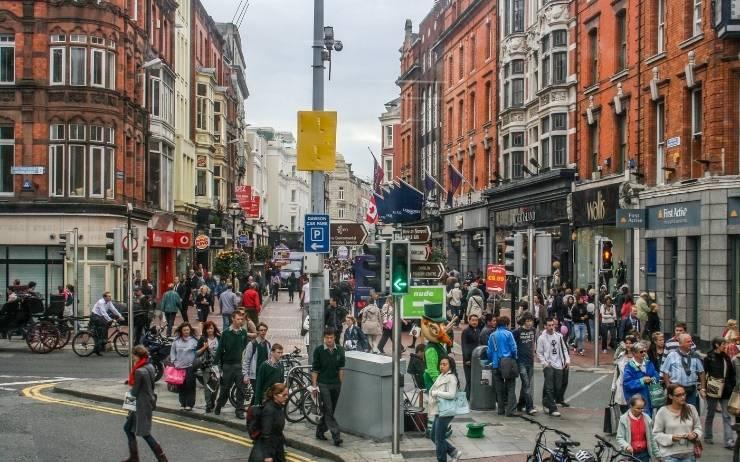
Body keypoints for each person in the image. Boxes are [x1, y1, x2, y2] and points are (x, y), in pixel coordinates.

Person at [123, 345, 167, 462]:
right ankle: (134, 457)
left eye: (134, 356)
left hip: (140, 405)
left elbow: (134, 392)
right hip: (147, 402)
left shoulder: (139, 371)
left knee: (145, 434)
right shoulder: (149, 366)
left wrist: (128, 403)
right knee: (128, 428)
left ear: (138, 356)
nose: (133, 358)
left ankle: (162, 459)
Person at [312, 328, 345, 446]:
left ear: (334, 337)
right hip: (323, 384)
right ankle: (336, 436)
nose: (329, 340)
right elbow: (315, 370)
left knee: (329, 411)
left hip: (336, 384)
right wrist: (314, 386)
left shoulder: (340, 350)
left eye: (331, 338)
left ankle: (320, 431)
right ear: (324, 338)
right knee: (329, 409)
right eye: (327, 338)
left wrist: (340, 384)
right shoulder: (318, 351)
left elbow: (341, 369)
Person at [653, 384, 703, 462]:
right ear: (670, 396)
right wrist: (671, 438)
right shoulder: (662, 412)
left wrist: (695, 434)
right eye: (678, 395)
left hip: (688, 453)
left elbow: (698, 428)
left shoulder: (691, 409)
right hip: (669, 455)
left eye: (684, 394)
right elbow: (656, 434)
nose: (682, 397)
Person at [702, 336, 736, 449]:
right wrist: (703, 388)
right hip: (713, 388)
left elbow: (731, 374)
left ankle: (729, 440)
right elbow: (703, 374)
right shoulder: (708, 358)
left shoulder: (726, 358)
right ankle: (708, 436)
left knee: (727, 415)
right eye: (723, 344)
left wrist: (731, 386)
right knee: (710, 413)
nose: (725, 346)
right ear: (717, 345)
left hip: (726, 390)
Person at [427, 357, 463, 462]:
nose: (442, 366)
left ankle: (442, 460)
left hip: (446, 411)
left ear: (450, 366)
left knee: (439, 438)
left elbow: (452, 394)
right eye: (441, 364)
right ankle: (453, 452)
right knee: (433, 436)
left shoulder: (451, 378)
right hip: (439, 410)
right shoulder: (442, 375)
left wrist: (437, 393)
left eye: (444, 364)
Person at [214, 311, 249, 419]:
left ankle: (239, 411)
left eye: (241, 319)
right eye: (238, 319)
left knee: (241, 389)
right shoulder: (225, 333)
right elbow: (220, 349)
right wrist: (215, 364)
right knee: (225, 389)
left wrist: (246, 366)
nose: (240, 321)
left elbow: (246, 349)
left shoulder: (243, 333)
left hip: (239, 365)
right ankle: (219, 405)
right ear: (232, 319)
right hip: (228, 366)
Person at [536, 318, 571, 417]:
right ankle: (552, 408)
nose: (551, 327)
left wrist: (567, 360)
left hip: (559, 364)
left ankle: (546, 402)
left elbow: (564, 349)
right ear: (545, 326)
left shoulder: (559, 336)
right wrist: (545, 363)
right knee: (549, 387)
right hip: (549, 365)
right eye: (549, 325)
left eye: (552, 325)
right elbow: (539, 353)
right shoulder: (542, 338)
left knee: (557, 387)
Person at [661, 333, 705, 411]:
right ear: (681, 343)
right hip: (676, 390)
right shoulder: (672, 355)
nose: (691, 343)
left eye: (691, 341)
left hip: (691, 390)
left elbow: (701, 372)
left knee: (691, 411)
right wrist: (668, 387)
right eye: (688, 342)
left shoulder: (695, 355)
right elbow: (665, 372)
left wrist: (702, 389)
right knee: (677, 411)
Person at [248, 383, 288, 462]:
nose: (286, 397)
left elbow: (276, 428)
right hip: (270, 448)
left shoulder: (278, 406)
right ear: (275, 395)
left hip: (277, 445)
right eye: (284, 395)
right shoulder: (269, 410)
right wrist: (267, 455)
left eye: (287, 394)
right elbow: (266, 434)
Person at [487, 315, 518, 417]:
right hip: (507, 362)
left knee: (499, 388)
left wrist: (492, 360)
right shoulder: (508, 334)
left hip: (496, 363)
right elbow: (513, 348)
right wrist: (514, 357)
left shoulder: (492, 335)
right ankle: (510, 410)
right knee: (511, 386)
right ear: (506, 324)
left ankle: (501, 409)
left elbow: (489, 351)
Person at [615, 395, 661, 462]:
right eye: (638, 408)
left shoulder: (647, 419)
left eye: (642, 408)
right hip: (630, 455)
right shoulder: (623, 419)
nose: (640, 411)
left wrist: (658, 455)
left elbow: (652, 438)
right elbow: (619, 437)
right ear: (631, 406)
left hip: (644, 454)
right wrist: (627, 446)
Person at [623, 342, 661, 417]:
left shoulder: (648, 363)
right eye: (641, 352)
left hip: (650, 399)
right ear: (634, 353)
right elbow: (627, 384)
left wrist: (651, 379)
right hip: (637, 402)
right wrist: (641, 381)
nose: (644, 353)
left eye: (645, 351)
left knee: (648, 420)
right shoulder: (629, 367)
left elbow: (656, 376)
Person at [170, 322, 198, 411]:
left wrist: (195, 363)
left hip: (190, 367)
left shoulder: (194, 341)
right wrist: (174, 362)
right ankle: (183, 403)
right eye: (184, 330)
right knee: (181, 386)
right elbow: (172, 352)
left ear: (190, 330)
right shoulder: (176, 341)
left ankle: (189, 404)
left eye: (187, 330)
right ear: (181, 331)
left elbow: (198, 352)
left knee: (190, 386)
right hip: (179, 367)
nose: (186, 331)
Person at [514, 315, 537, 415]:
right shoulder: (517, 332)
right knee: (527, 384)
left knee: (525, 385)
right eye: (527, 321)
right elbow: (513, 345)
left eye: (530, 321)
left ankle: (520, 404)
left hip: (530, 360)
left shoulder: (533, 330)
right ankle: (529, 407)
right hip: (521, 361)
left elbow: (533, 343)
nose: (529, 323)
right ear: (524, 321)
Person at [196, 321, 220, 413]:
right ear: (205, 330)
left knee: (216, 386)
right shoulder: (203, 339)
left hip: (217, 366)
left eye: (211, 328)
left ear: (214, 329)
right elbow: (196, 353)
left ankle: (212, 402)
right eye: (207, 328)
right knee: (207, 387)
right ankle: (208, 405)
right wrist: (204, 347)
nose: (209, 330)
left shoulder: (219, 338)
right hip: (206, 366)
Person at [90, 291, 124, 355]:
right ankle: (102, 340)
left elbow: (113, 309)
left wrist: (120, 316)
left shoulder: (109, 302)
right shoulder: (101, 302)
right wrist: (110, 320)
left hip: (100, 316)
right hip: (95, 315)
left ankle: (101, 342)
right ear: (104, 297)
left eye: (110, 296)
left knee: (106, 325)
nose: (110, 297)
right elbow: (103, 313)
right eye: (109, 296)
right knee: (103, 325)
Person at [243, 323, 272, 394]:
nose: (263, 332)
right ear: (257, 331)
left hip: (265, 374)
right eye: (261, 330)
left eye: (265, 330)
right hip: (255, 375)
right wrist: (245, 375)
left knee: (263, 394)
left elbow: (269, 359)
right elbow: (246, 360)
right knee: (258, 394)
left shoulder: (268, 344)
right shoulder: (252, 344)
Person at [612, 335, 638, 414]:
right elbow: (617, 371)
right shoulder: (621, 355)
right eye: (627, 343)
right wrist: (613, 386)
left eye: (630, 343)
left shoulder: (638, 356)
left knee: (633, 408)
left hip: (634, 386)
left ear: (635, 344)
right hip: (621, 386)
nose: (628, 345)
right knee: (623, 409)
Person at [461, 314, 482, 400]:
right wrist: (466, 359)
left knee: (473, 378)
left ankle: (467, 396)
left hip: (476, 358)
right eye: (473, 320)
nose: (474, 322)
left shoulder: (478, 330)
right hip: (468, 359)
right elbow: (464, 345)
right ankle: (468, 397)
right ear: (469, 321)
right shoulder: (466, 331)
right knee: (469, 379)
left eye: (476, 320)